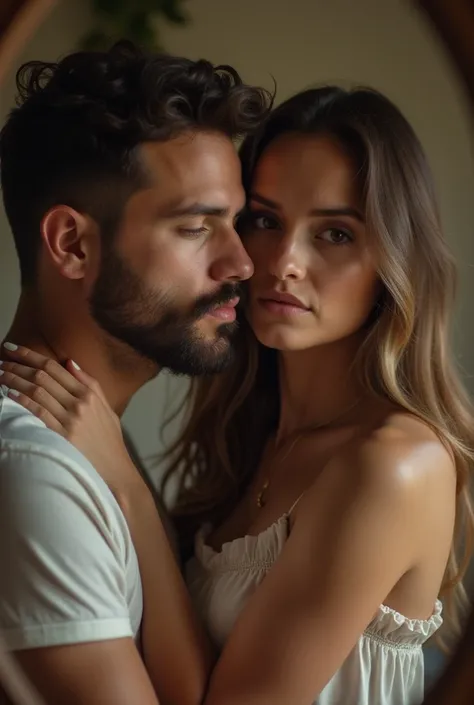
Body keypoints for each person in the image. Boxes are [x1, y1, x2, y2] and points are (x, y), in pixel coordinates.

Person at [6, 84, 474, 705]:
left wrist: (128, 489)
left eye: (335, 234)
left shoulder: (392, 465)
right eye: (264, 220)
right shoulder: (251, 443)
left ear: (392, 261)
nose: (278, 263)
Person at [0, 40, 271, 705]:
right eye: (195, 227)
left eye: (236, 223)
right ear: (72, 244)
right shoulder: (36, 471)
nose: (241, 263)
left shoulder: (89, 446)